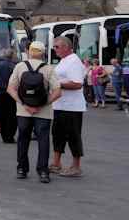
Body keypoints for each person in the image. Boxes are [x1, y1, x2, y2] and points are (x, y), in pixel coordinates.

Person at [7, 41, 61, 183]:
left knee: (22, 139)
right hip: (43, 112)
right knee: (43, 140)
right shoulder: (49, 68)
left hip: (23, 111)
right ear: (43, 53)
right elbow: (57, 92)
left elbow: (10, 89)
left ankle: (21, 169)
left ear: (29, 51)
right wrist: (43, 104)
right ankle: (43, 171)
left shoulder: (20, 66)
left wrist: (24, 104)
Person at [50, 37, 87, 178]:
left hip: (72, 107)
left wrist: (57, 84)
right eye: (54, 46)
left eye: (57, 47)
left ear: (66, 47)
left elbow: (77, 84)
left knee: (73, 136)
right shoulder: (64, 61)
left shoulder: (74, 61)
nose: (54, 49)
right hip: (60, 104)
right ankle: (56, 163)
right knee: (57, 135)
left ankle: (76, 167)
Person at [0, 50, 18, 143]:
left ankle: (4, 136)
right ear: (12, 56)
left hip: (1, 92)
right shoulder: (13, 66)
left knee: (3, 115)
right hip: (11, 93)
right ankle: (10, 136)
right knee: (12, 115)